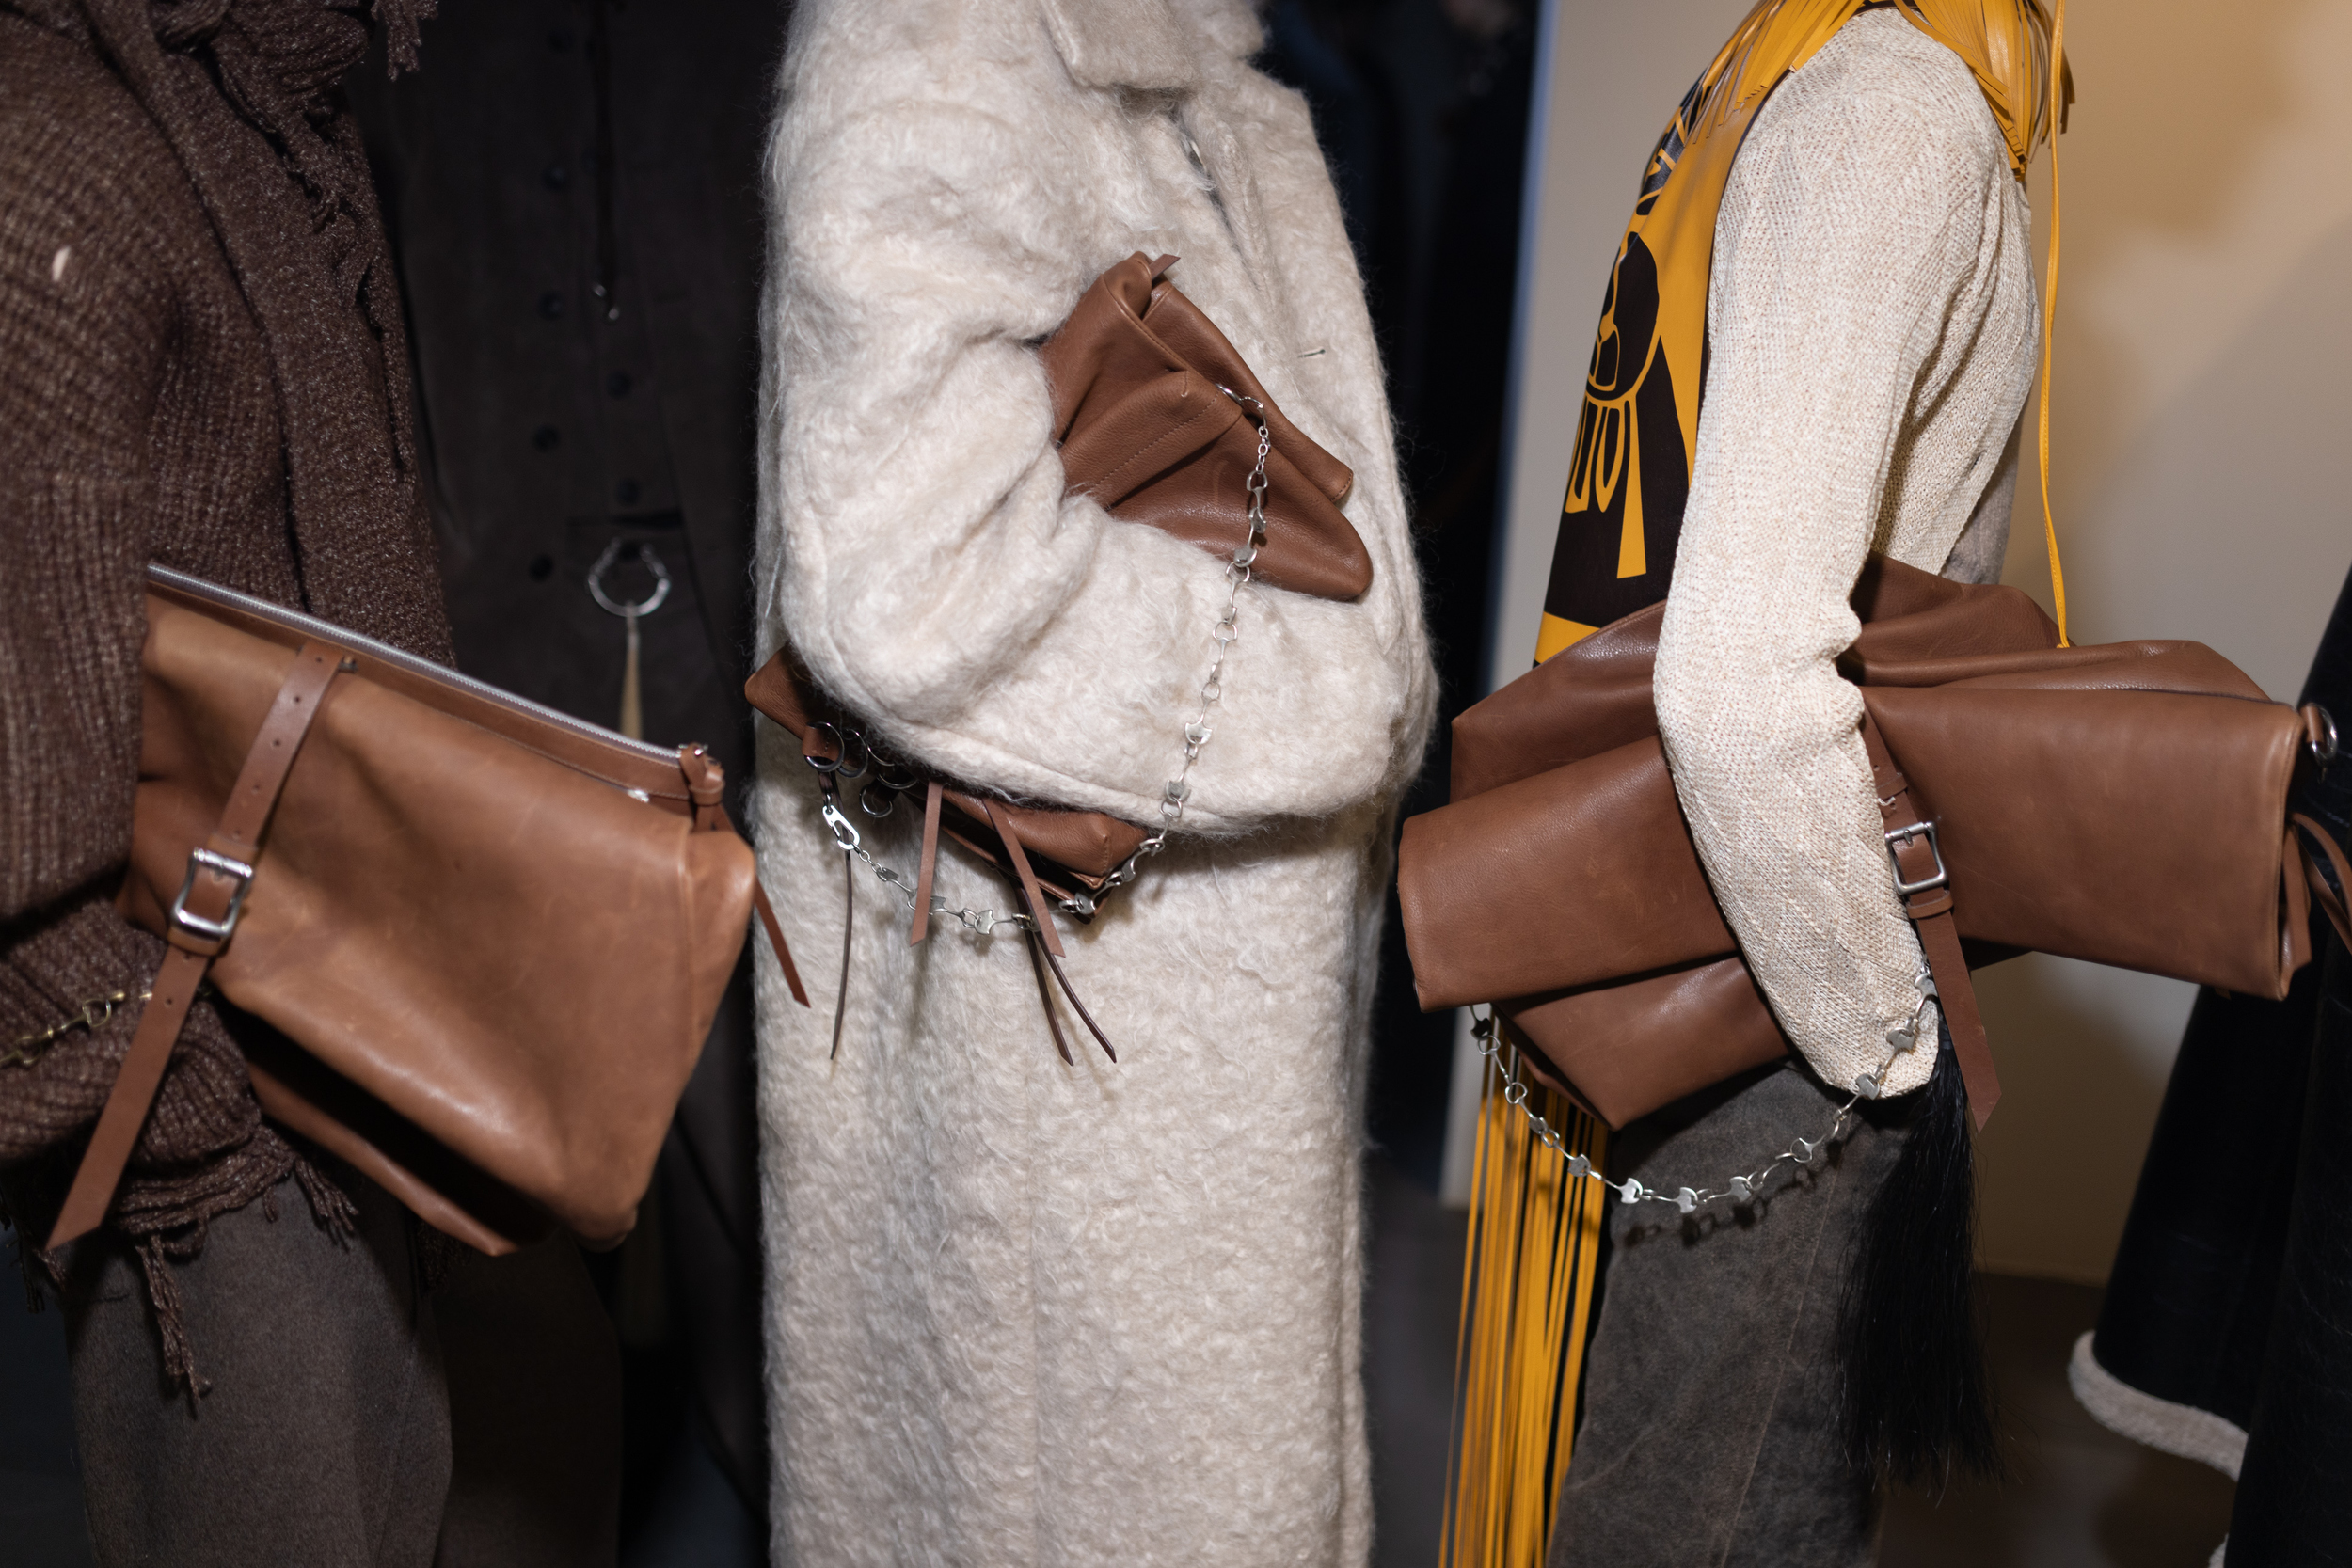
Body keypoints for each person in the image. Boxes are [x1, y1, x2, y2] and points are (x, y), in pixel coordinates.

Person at [751, 0, 1436, 1560]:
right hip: (1062, 1100)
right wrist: (1334, 688)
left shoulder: (1178, 56)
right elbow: (913, 588)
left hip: (1158, 1052)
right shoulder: (949, 41)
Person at [0, 2, 617, 1562]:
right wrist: (190, 1113)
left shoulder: (288, 108)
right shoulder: (57, 156)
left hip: (383, 1049)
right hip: (216, 1136)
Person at [1546, 5, 2042, 1562]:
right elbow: (1740, 682)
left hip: (1748, 932)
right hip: (1788, 970)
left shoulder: (1828, 63)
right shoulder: (1897, 108)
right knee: (1715, 1514)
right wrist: (1893, 1044)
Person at [345, 4, 788, 1555]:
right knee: (496, 1205)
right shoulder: (398, 34)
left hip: (749, 683)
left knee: (764, 1205)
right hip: (485, 669)